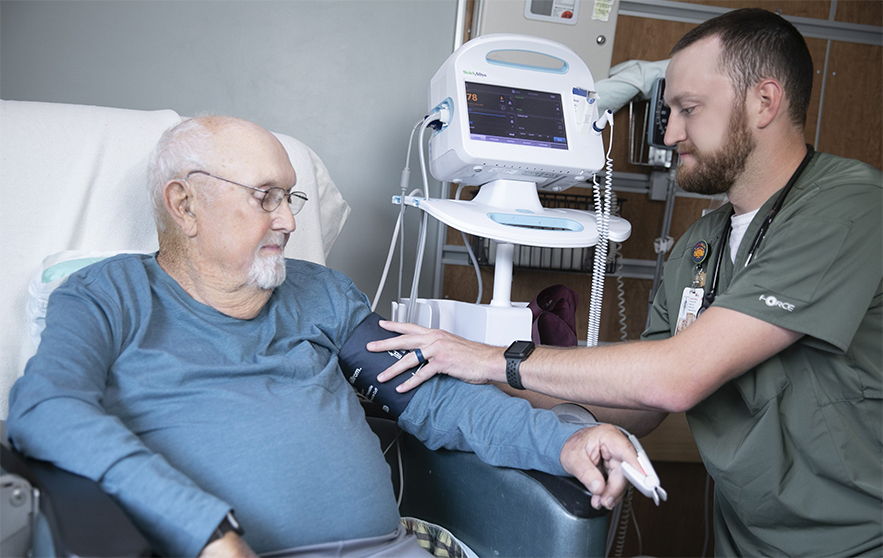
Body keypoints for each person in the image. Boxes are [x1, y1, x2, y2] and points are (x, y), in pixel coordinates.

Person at [5, 115, 641, 557]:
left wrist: (563, 441)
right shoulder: (108, 295)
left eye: (291, 198)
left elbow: (434, 398)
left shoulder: (320, 292)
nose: (287, 220)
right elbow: (45, 410)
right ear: (184, 204)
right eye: (265, 197)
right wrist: (203, 529)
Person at [369, 8, 882, 557]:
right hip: (747, 540)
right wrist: (481, 380)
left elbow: (676, 378)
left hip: (854, 539)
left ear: (764, 101)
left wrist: (494, 359)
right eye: (668, 111)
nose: (670, 133)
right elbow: (642, 404)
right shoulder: (701, 244)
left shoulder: (848, 207)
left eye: (688, 109)